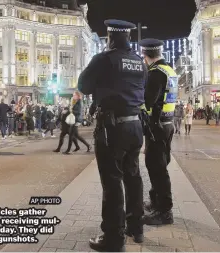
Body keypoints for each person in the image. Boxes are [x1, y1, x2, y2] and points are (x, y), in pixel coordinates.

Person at [78, 19, 146, 251]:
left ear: (110, 37)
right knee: (133, 177)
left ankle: (113, 237)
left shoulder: (104, 59)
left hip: (112, 128)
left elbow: (83, 86)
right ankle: (136, 228)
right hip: (135, 126)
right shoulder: (139, 61)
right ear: (128, 37)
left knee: (112, 182)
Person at [139, 38, 177, 226]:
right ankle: (156, 202)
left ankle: (164, 211)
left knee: (157, 168)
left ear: (145, 56)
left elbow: (148, 102)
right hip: (168, 123)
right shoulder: (169, 70)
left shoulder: (154, 73)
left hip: (157, 126)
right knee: (159, 165)